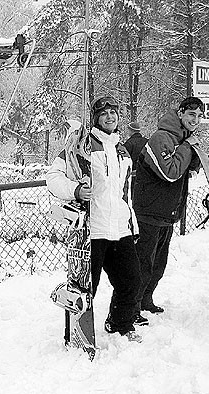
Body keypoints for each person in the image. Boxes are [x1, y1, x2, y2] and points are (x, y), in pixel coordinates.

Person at [46, 95, 143, 342]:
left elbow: (123, 192)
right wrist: (75, 190)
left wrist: (132, 223)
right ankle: (77, 333)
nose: (110, 116)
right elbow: (53, 178)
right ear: (96, 119)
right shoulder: (82, 147)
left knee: (131, 281)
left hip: (119, 229)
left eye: (114, 112)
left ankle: (120, 324)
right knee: (87, 288)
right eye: (104, 113)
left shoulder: (122, 150)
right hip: (93, 230)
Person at [133, 96, 204, 316]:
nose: (196, 120)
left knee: (158, 265)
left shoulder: (184, 139)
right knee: (142, 265)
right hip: (148, 212)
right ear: (180, 113)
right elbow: (170, 172)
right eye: (192, 114)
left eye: (200, 116)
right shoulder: (160, 137)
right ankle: (130, 308)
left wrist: (191, 151)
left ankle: (146, 300)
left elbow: (191, 168)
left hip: (167, 213)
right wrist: (186, 147)